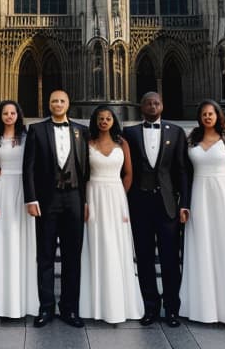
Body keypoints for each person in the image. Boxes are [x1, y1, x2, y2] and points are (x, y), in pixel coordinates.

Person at [179, 99, 225, 324]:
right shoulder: (192, 139)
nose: (208, 117)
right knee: (202, 247)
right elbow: (184, 172)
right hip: (200, 195)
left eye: (211, 114)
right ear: (199, 117)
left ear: (218, 116)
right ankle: (204, 308)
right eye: (204, 114)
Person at [23, 90, 89, 328]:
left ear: (68, 104)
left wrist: (86, 201)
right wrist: (31, 199)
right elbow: (28, 167)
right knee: (46, 256)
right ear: (48, 105)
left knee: (73, 257)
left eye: (62, 101)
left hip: (74, 198)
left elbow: (86, 170)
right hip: (47, 199)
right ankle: (46, 307)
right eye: (54, 101)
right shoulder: (37, 130)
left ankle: (70, 308)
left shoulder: (82, 130)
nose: (58, 104)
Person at [123, 91, 190, 328]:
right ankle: (150, 306)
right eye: (148, 103)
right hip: (140, 204)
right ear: (141, 107)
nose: (152, 106)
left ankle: (172, 308)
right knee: (144, 259)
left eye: (157, 103)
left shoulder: (177, 132)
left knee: (171, 259)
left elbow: (182, 171)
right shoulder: (129, 133)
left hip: (167, 206)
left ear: (162, 105)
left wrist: (184, 204)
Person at [79, 106, 144, 323]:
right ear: (95, 121)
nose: (104, 121)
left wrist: (120, 197)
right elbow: (82, 175)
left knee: (117, 246)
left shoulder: (122, 143)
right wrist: (85, 201)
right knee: (97, 246)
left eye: (108, 118)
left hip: (116, 197)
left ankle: (119, 303)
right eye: (100, 118)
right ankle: (96, 304)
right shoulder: (87, 143)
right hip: (94, 194)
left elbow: (128, 174)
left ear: (113, 121)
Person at [0, 101, 39, 318]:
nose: (9, 116)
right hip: (3, 188)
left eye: (12, 113)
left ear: (18, 115)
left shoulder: (28, 136)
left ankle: (26, 301)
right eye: (5, 113)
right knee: (3, 240)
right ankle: (2, 301)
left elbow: (33, 165)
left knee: (24, 240)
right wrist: (7, 179)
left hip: (25, 189)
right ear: (0, 115)